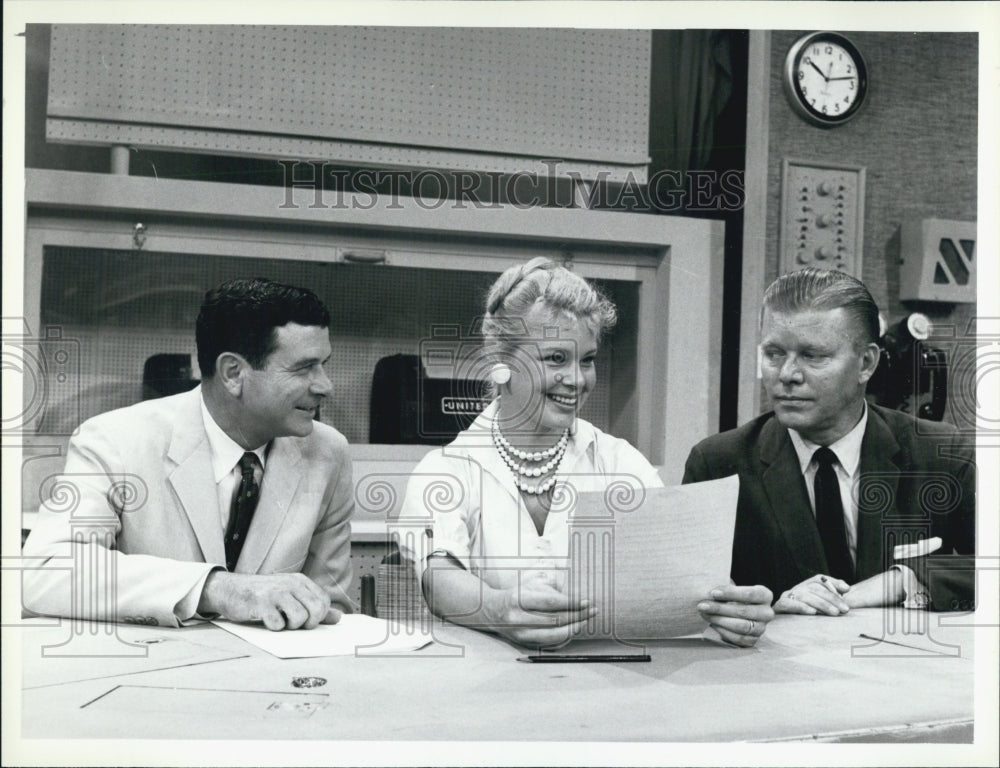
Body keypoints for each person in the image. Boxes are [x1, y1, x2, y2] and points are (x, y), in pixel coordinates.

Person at [396, 258, 774, 648]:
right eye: (556, 358)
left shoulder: (620, 462)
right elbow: (440, 579)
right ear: (500, 363)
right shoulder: (445, 470)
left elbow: (678, 575)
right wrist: (500, 609)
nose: (577, 380)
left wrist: (731, 607)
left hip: (608, 689)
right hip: (485, 695)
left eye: (587, 360)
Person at [22, 278, 355, 630]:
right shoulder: (114, 441)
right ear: (233, 373)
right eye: (304, 368)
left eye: (324, 365)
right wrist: (217, 588)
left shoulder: (328, 452)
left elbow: (327, 609)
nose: (325, 386)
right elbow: (46, 572)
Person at [683, 268, 975, 615]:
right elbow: (689, 599)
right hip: (776, 665)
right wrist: (772, 608)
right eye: (774, 354)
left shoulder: (941, 454)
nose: (787, 375)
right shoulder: (718, 464)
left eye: (813, 356)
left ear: (866, 363)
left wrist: (905, 579)